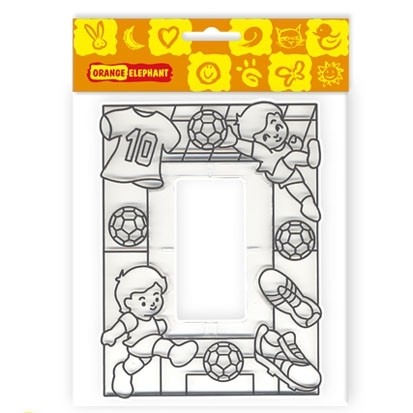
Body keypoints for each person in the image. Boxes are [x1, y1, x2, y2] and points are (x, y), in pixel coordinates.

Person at [101, 266, 198, 398]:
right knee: (157, 342)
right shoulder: (131, 318)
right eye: (143, 301)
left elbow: (158, 327)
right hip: (139, 346)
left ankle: (122, 372)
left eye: (156, 298)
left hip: (143, 354)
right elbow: (120, 328)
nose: (152, 304)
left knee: (132, 366)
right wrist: (111, 335)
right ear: (128, 303)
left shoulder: (152, 319)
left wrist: (163, 326)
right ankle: (174, 352)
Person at [233, 102, 321, 221]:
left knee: (300, 189)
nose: (275, 135)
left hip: (289, 175)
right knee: (291, 158)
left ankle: (308, 205)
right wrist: (235, 141)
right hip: (276, 171)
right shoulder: (262, 150)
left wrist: (295, 146)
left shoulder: (284, 145)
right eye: (265, 137)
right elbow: (248, 147)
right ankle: (310, 160)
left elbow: (289, 151)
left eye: (278, 127)